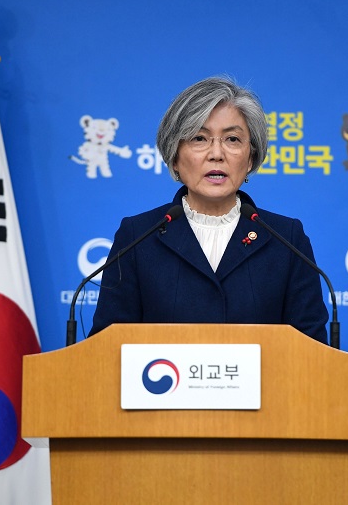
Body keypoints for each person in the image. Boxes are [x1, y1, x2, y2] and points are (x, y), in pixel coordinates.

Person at [90, 76, 328, 344]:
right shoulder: (137, 236)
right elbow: (106, 347)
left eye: (232, 139)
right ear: (175, 156)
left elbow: (313, 351)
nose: (216, 154)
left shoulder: (286, 239)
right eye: (199, 138)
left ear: (250, 158)